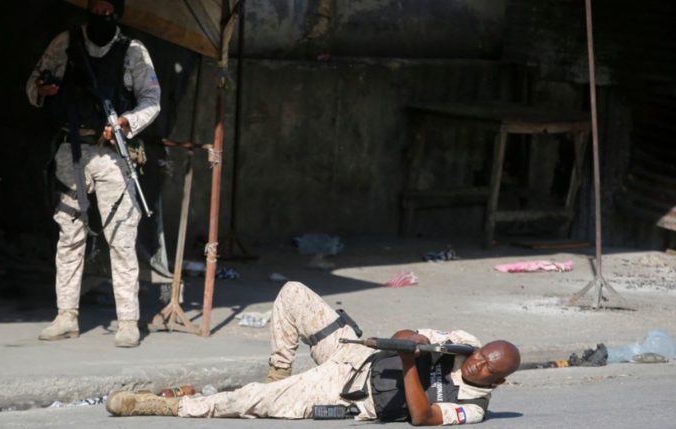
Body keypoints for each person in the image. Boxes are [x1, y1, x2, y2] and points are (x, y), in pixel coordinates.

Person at [106, 282, 521, 424]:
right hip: (355, 353)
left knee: (246, 402)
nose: (477, 362)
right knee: (292, 295)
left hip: (345, 393)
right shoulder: (464, 340)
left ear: (497, 382)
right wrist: (411, 341)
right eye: (482, 354)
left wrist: (411, 360)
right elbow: (404, 334)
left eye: (487, 367)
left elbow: (423, 417)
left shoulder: (473, 407)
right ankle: (279, 378)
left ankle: (161, 408)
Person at [26, 0, 161, 347]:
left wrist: (125, 122)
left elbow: (152, 100)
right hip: (72, 151)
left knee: (121, 237)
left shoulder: (132, 51)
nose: (101, 16)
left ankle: (128, 321)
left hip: (113, 155)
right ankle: (66, 316)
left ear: (118, 12)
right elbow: (32, 86)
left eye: (108, 10)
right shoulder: (65, 43)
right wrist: (43, 90)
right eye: (95, 9)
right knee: (69, 237)